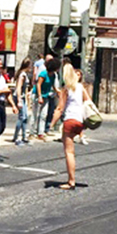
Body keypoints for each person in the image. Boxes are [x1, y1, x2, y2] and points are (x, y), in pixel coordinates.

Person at [49, 59, 86, 189]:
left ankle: (71, 181)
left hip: (69, 121)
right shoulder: (81, 88)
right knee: (72, 151)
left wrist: (51, 124)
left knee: (69, 152)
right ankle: (72, 180)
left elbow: (60, 109)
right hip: (79, 121)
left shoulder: (66, 89)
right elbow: (88, 103)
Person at [11, 59, 33, 146]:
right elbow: (19, 87)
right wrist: (19, 100)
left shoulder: (24, 74)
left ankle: (24, 137)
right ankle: (16, 137)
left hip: (22, 97)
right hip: (19, 97)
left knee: (25, 117)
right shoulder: (22, 75)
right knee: (21, 117)